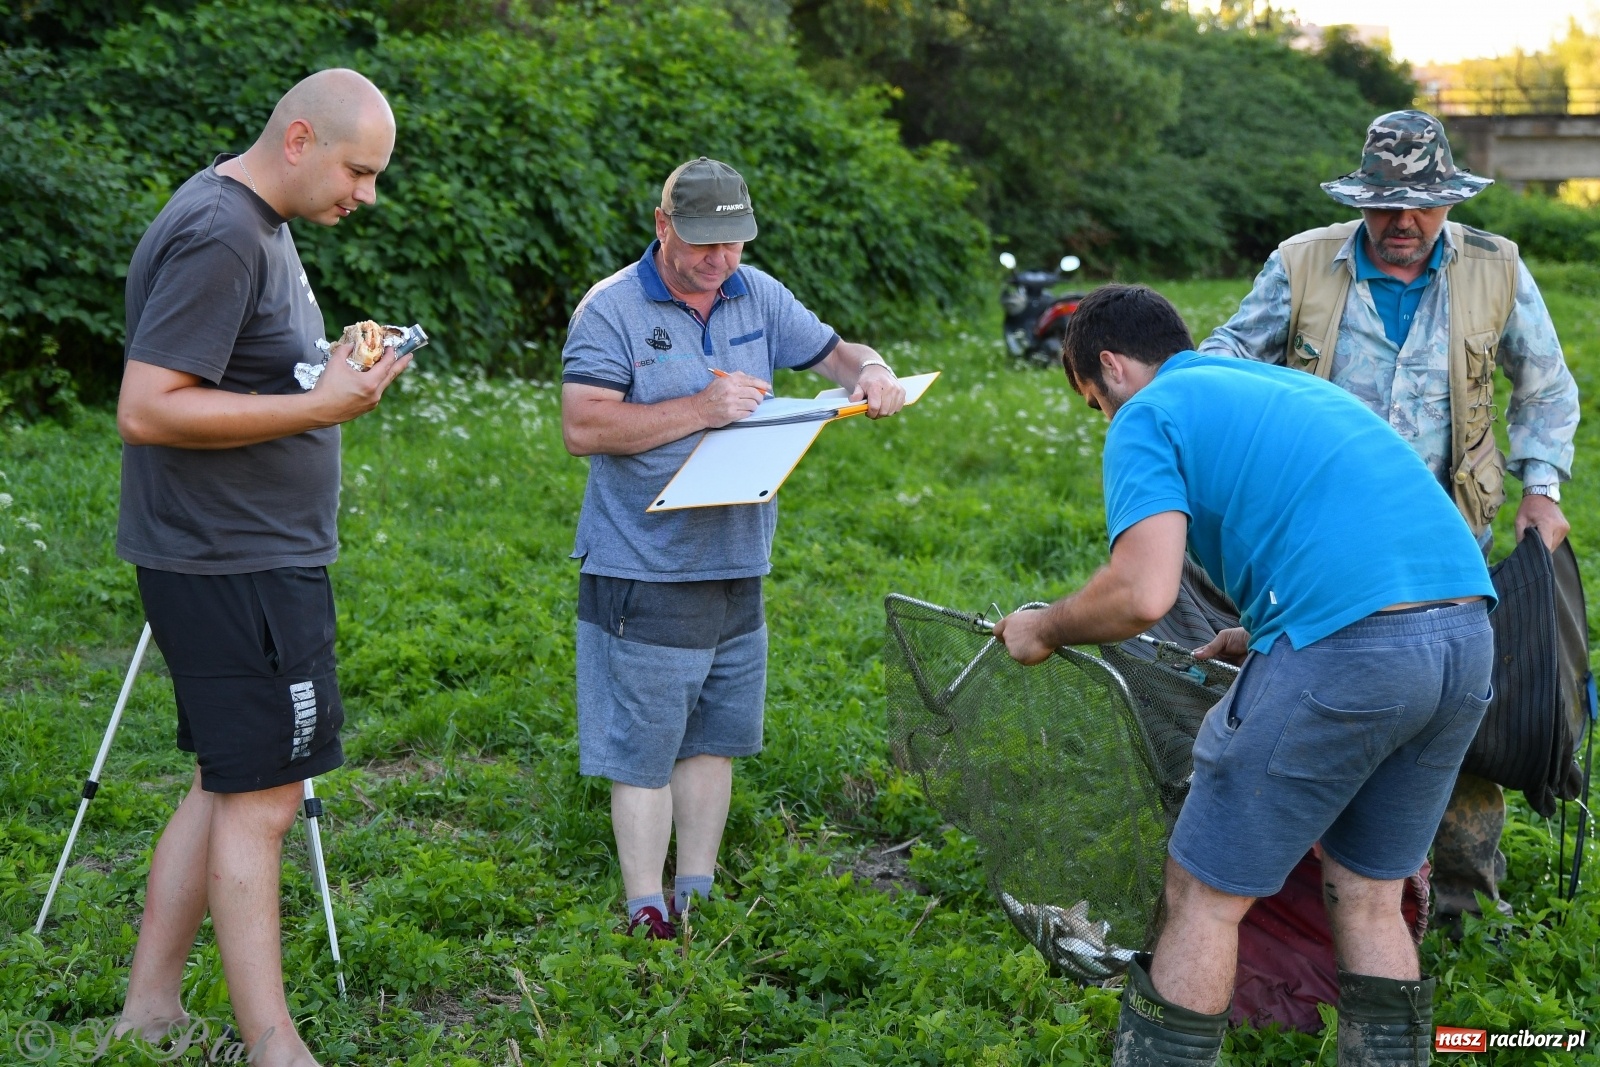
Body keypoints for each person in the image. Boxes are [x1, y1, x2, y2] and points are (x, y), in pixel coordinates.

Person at [993, 284, 1494, 1066]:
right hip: (1464, 636)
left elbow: (1142, 592)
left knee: (1202, 893)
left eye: (1096, 402)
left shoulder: (1148, 413)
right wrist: (1265, 631)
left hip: (1350, 648)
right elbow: (1338, 520)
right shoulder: (1274, 386)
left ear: (1112, 368)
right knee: (1368, 892)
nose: (1106, 418)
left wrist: (1044, 627)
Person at [1198, 109, 1580, 926]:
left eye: (1422, 204)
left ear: (1449, 200)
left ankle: (1464, 906)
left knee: (1464, 715)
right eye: (1384, 205)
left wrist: (1542, 488)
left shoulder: (1496, 267)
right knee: (1322, 702)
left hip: (1454, 542)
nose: (1403, 221)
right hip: (1322, 548)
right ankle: (1315, 899)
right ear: (1359, 201)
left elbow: (1544, 384)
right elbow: (1226, 359)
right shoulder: (1302, 263)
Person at [113, 69, 408, 1067]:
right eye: (358, 170)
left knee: (227, 780)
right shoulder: (224, 232)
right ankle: (276, 1047)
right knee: (266, 795)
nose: (367, 194)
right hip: (234, 559)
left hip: (239, 553)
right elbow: (148, 405)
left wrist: (326, 368)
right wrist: (320, 407)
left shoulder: (256, 223)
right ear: (299, 139)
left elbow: (237, 372)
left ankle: (150, 1009)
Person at [560, 157, 906, 939]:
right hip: (645, 565)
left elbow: (837, 353)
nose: (719, 259)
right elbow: (583, 424)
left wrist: (873, 369)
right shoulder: (611, 309)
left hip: (738, 557)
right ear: (663, 226)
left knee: (714, 735)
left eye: (734, 242)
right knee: (645, 746)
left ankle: (698, 890)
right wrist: (700, 408)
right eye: (702, 242)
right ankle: (646, 909)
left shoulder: (759, 293)